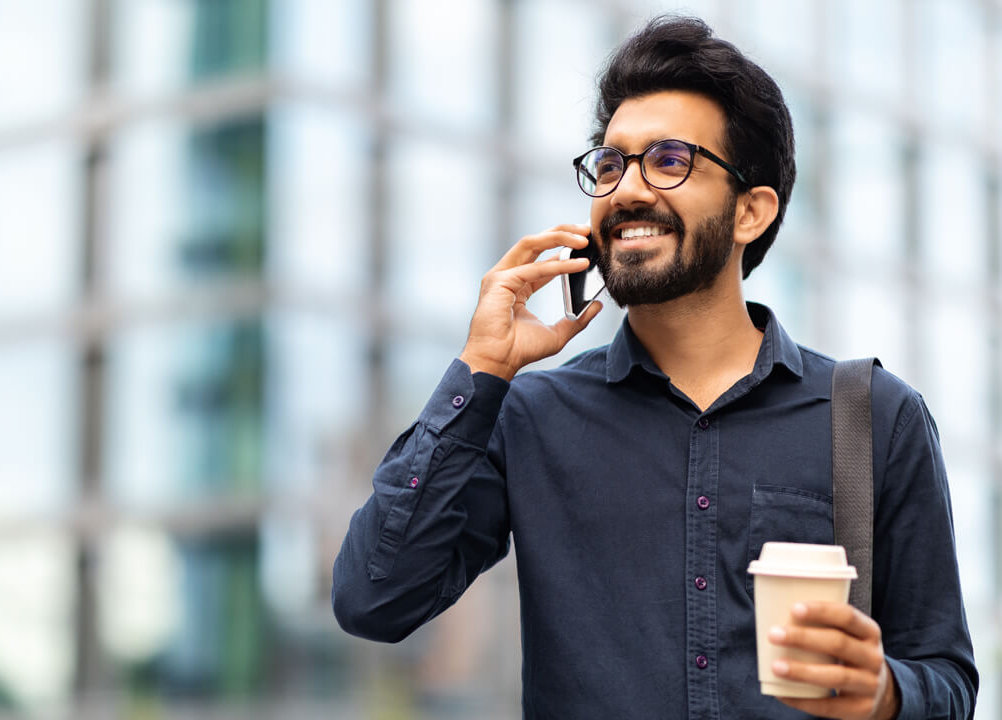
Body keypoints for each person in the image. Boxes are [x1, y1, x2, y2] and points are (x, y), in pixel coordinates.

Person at [331, 14, 977, 720]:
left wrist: (885, 693)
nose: (628, 190)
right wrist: (480, 368)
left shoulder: (874, 416)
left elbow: (946, 680)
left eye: (670, 161)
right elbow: (373, 598)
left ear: (751, 212)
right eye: (611, 165)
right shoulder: (529, 415)